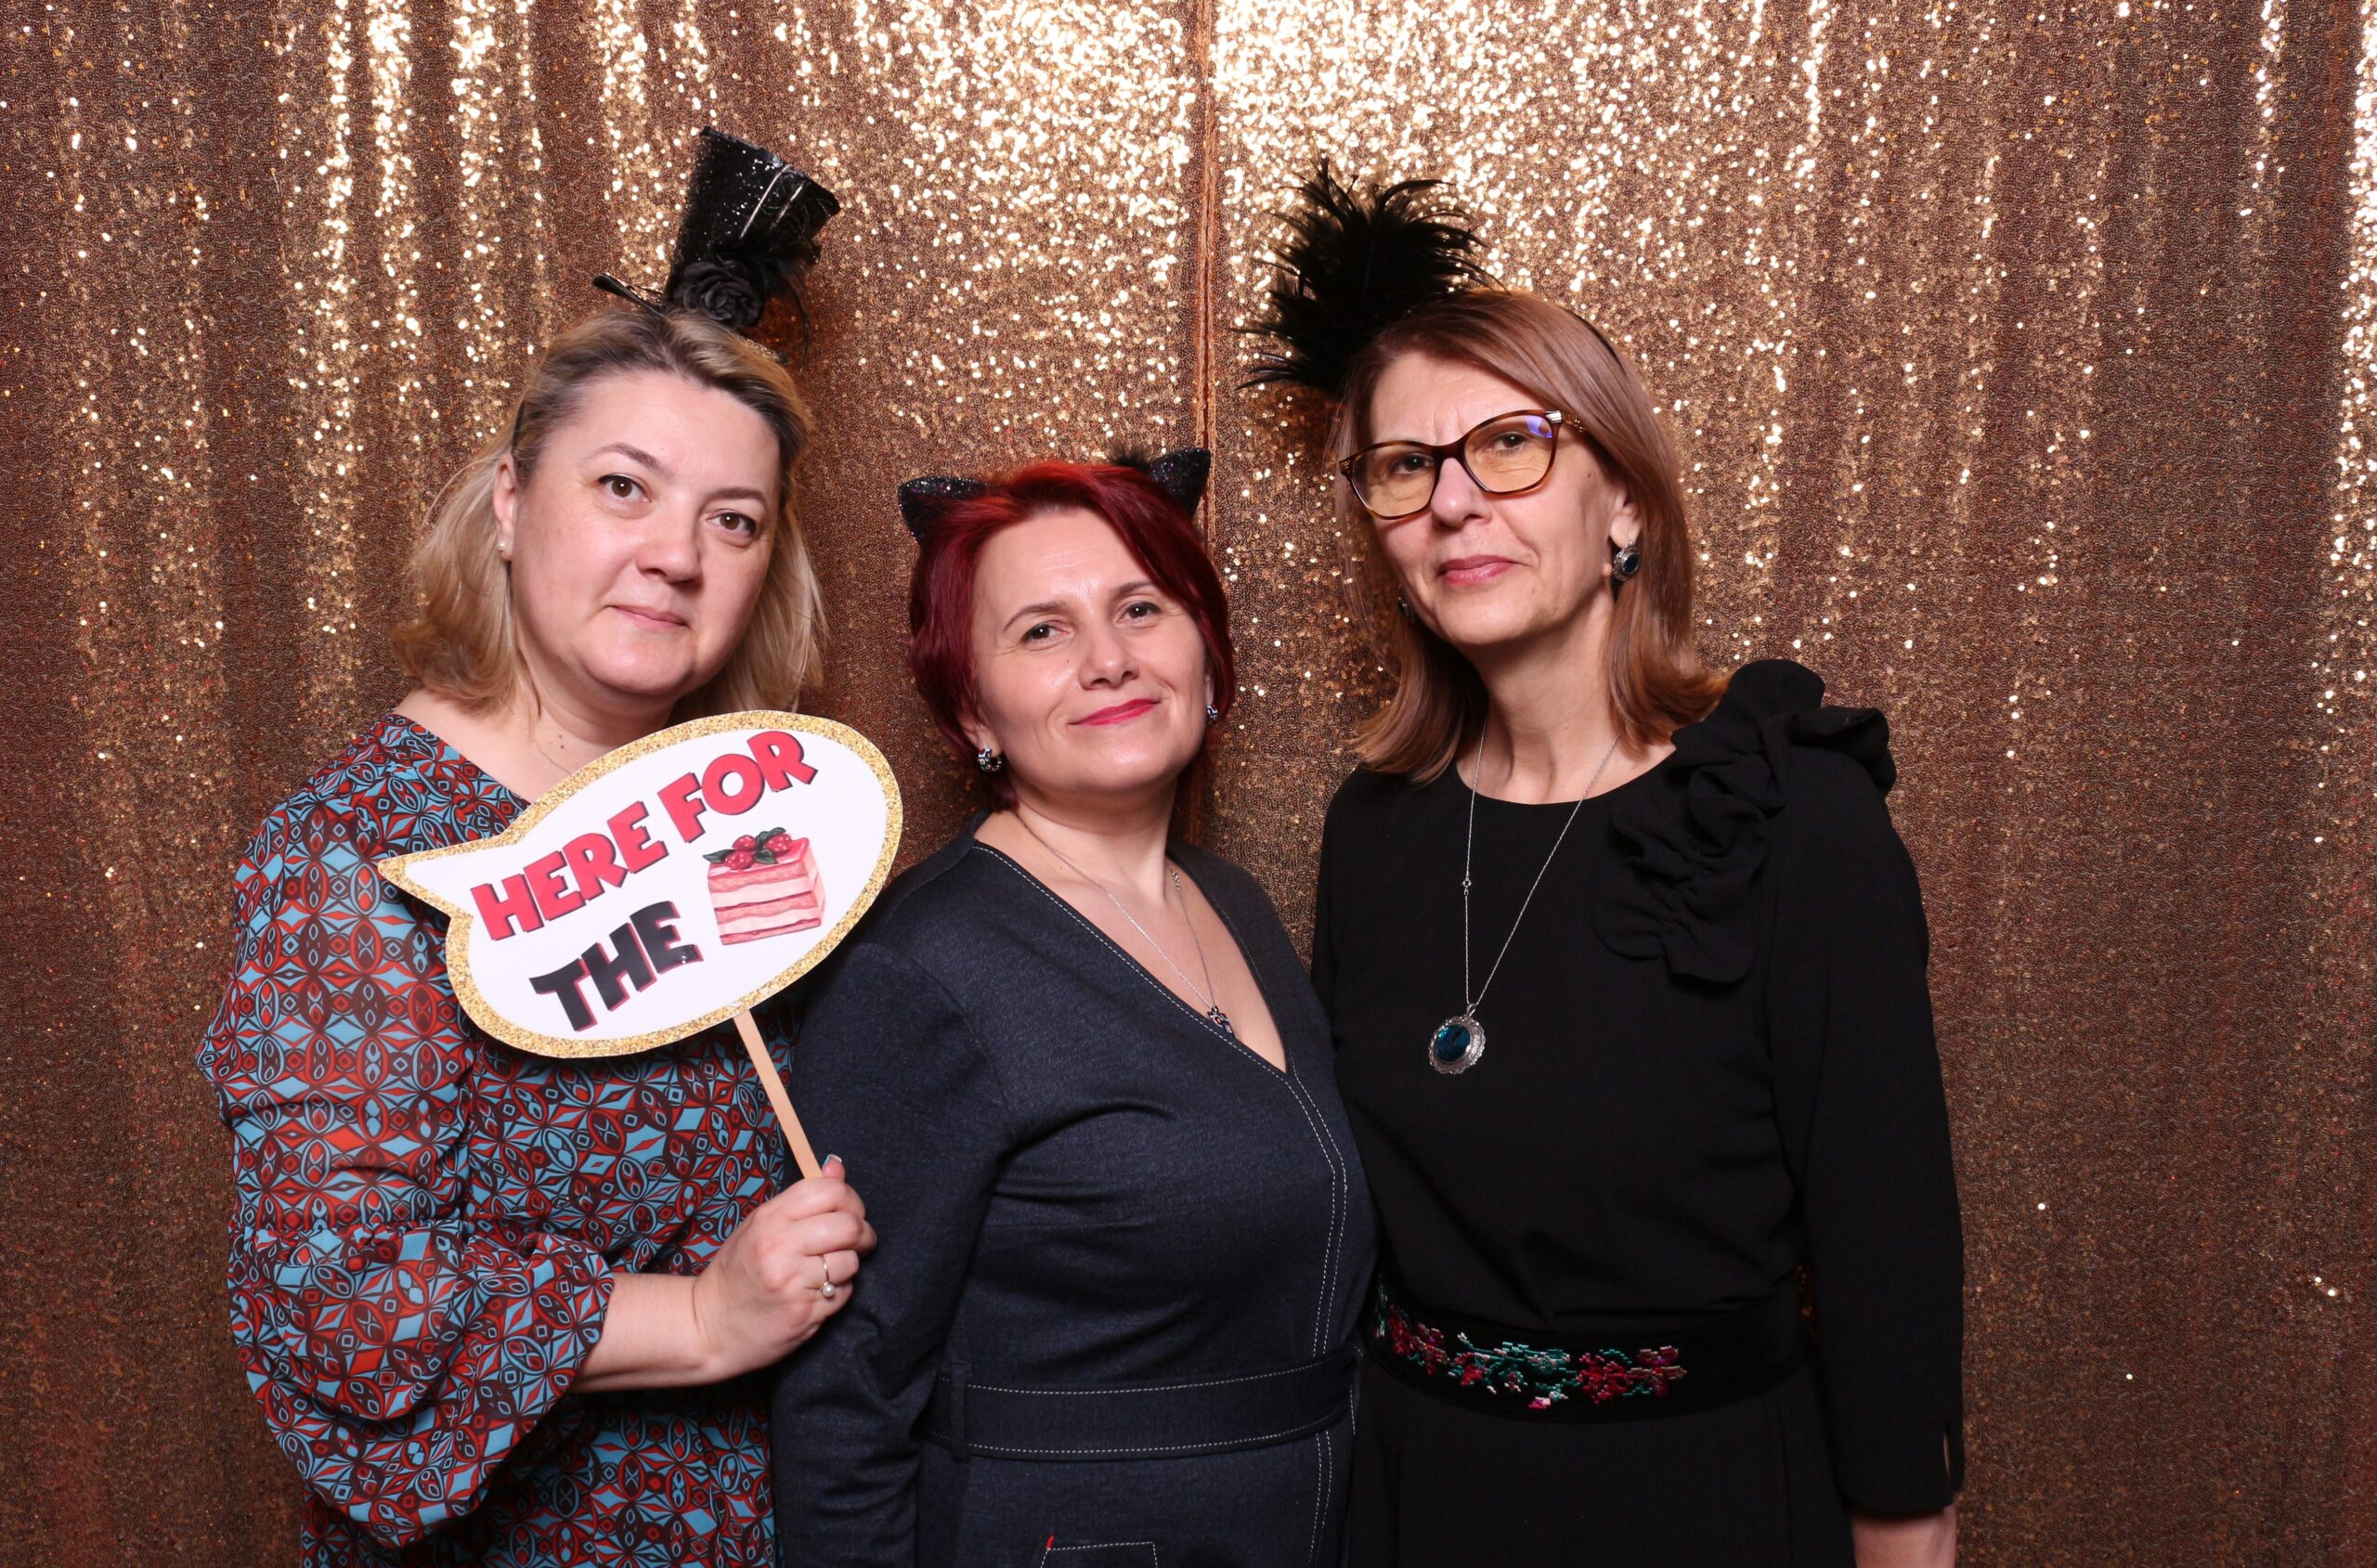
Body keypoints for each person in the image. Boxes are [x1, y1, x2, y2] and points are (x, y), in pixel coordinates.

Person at [1251, 170, 1964, 1566]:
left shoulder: (1791, 818)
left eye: (1510, 445)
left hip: (1698, 1504)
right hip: (1416, 1498)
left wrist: (1908, 1536)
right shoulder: (1376, 830)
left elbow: (1887, 1245)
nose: (1455, 503)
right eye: (1405, 467)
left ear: (1623, 502)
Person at [197, 145, 873, 1562]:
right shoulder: (360, 855)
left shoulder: (751, 815)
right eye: (624, 486)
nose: (677, 555)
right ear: (510, 501)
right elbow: (342, 1301)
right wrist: (700, 1316)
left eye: (733, 520)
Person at [772, 454, 1376, 1567]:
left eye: (1141, 609)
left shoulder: (1232, 902)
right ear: (973, 706)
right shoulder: (923, 966)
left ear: (1206, 653)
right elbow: (846, 1393)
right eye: (1042, 631)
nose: (1109, 659)